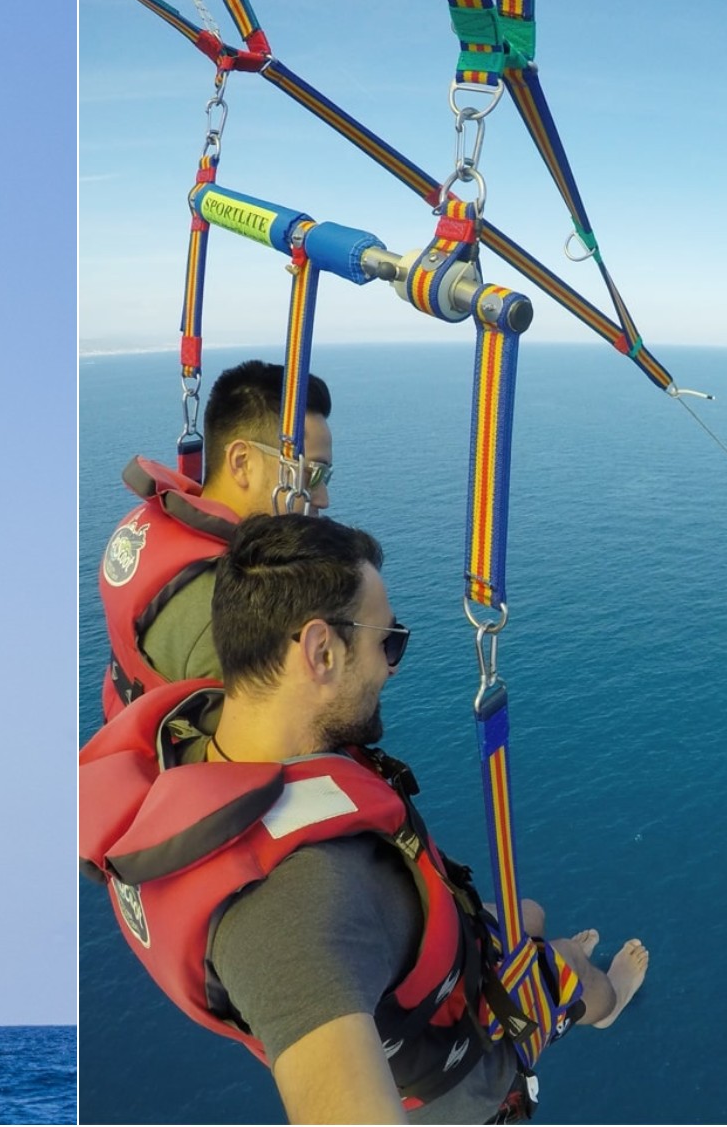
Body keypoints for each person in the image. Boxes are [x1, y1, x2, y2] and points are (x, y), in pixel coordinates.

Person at [79, 513, 649, 1125]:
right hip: (461, 1074)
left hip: (423, 973)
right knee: (563, 965)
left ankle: (525, 939)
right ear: (321, 652)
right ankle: (604, 996)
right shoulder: (295, 912)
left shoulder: (206, 731)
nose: (394, 665)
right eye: (389, 640)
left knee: (521, 916)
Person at [98, 359, 335, 720]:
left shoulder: (142, 526)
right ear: (242, 462)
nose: (322, 500)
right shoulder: (236, 607)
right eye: (311, 474)